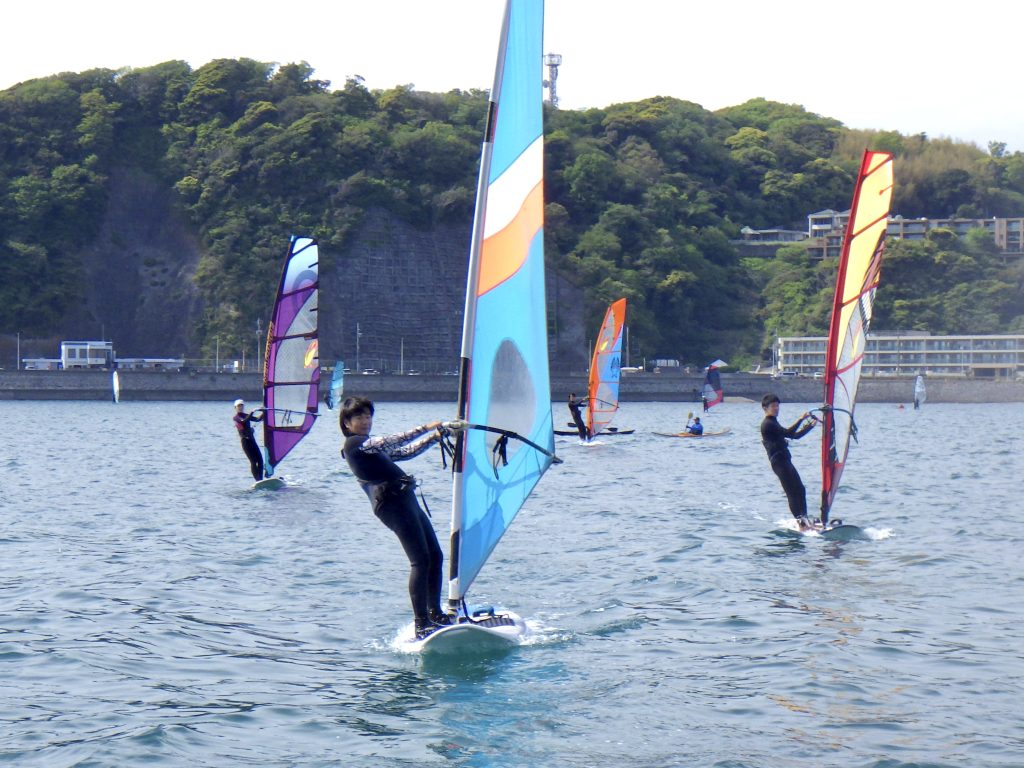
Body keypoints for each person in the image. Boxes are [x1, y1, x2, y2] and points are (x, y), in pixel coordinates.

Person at [340, 396, 466, 640]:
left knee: (435, 555)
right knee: (420, 561)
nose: (365, 421)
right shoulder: (355, 444)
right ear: (347, 423)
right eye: (359, 417)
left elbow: (405, 452)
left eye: (368, 416)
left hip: (406, 499)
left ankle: (435, 612)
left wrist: (438, 436)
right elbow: (392, 440)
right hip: (392, 505)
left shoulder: (371, 447)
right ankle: (421, 623)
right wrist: (427, 427)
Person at [759, 393, 817, 530]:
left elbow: (795, 436)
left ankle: (804, 519)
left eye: (777, 406)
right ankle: (801, 523)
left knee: (800, 489)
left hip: (785, 461)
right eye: (773, 406)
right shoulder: (767, 424)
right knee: (792, 492)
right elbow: (790, 433)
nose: (776, 408)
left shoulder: (774, 422)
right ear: (765, 408)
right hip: (779, 463)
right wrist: (801, 418)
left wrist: (810, 426)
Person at [233, 399, 266, 481]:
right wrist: (252, 412)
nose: (240, 407)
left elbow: (257, 419)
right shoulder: (236, 417)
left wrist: (264, 412)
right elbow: (243, 421)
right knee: (253, 461)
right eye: (238, 406)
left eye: (241, 405)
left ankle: (261, 479)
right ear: (235, 408)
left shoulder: (245, 415)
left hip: (252, 440)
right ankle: (257, 480)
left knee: (260, 460)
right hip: (245, 442)